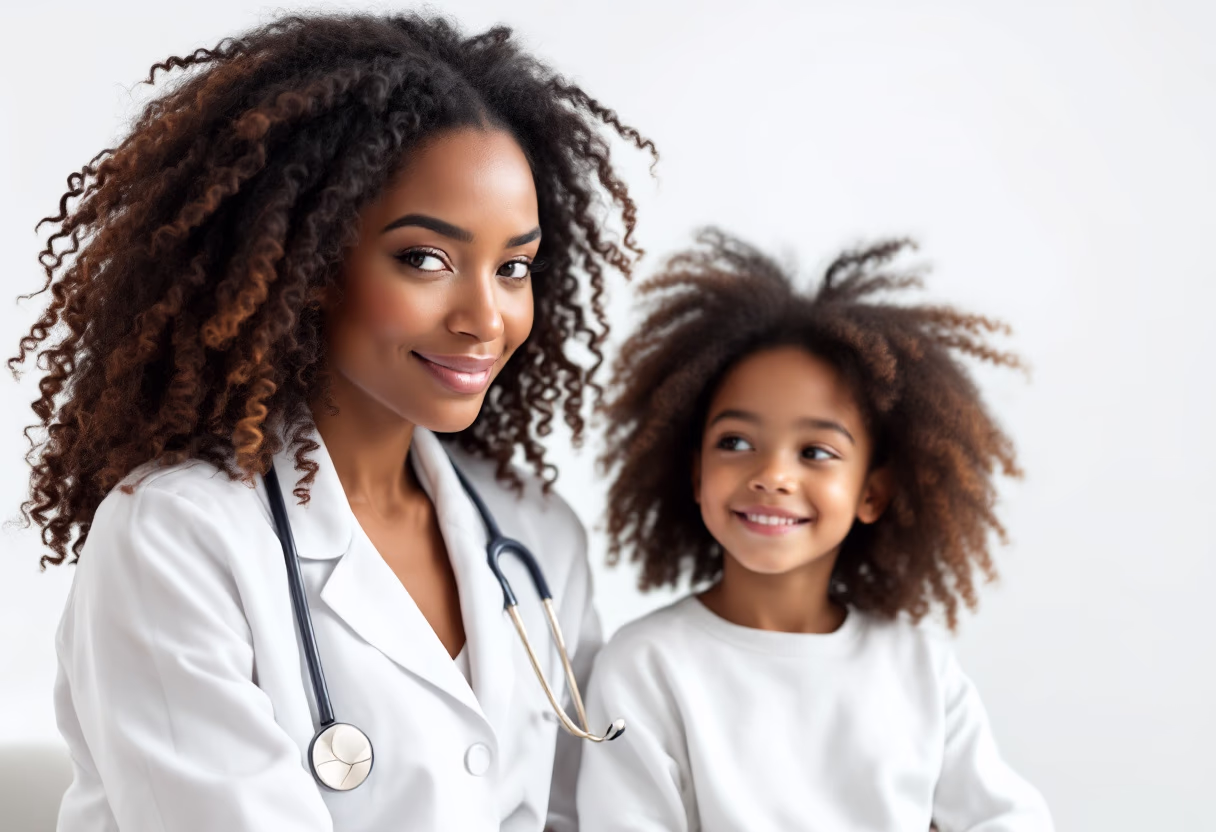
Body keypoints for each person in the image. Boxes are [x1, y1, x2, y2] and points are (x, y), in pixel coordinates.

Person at [12, 12, 655, 832]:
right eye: (426, 258)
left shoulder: (534, 538)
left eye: (514, 267)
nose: (486, 318)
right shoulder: (173, 536)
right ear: (307, 262)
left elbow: (584, 810)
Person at [577, 232, 1053, 830]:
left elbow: (1009, 819)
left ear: (871, 493)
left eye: (816, 451)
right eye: (736, 442)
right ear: (697, 473)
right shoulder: (647, 666)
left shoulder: (917, 667)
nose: (773, 475)